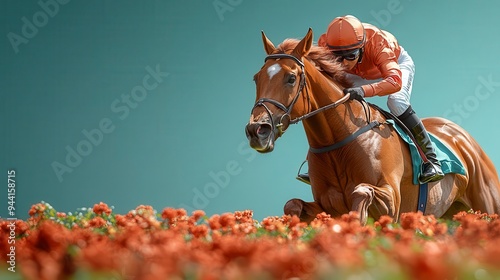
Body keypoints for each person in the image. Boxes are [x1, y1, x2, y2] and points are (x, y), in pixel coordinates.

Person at [298, 15, 444, 184]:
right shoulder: (325, 45)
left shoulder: (378, 42)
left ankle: (431, 161)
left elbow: (394, 82)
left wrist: (364, 90)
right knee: (332, 99)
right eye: (337, 57)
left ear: (362, 47)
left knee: (397, 103)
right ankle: (313, 163)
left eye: (350, 55)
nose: (344, 62)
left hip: (393, 67)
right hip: (356, 75)